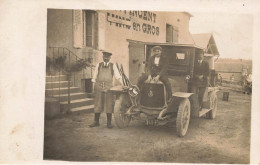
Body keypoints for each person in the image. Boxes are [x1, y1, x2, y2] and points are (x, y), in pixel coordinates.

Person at [89, 51, 122, 128]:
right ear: (103, 57)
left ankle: (109, 123)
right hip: (98, 87)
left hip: (108, 88)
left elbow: (118, 76)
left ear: (110, 58)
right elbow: (94, 77)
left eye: (107, 57)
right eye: (104, 57)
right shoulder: (99, 65)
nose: (106, 58)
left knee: (109, 105)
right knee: (98, 104)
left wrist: (122, 83)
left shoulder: (113, 66)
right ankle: (96, 121)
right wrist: (93, 88)